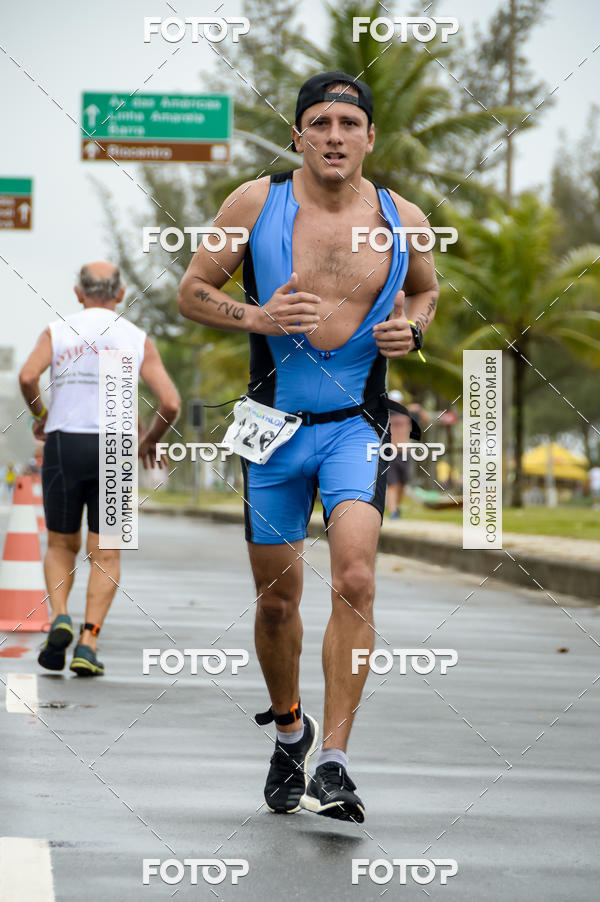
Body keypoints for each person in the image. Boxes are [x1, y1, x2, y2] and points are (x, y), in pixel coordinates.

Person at [178, 71, 439, 822]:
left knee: (355, 578)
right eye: (319, 123)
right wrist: (254, 316)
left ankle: (335, 761)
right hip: (272, 431)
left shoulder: (402, 215)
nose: (333, 135)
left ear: (368, 138)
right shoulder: (257, 202)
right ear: (298, 135)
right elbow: (192, 289)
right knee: (276, 603)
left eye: (347, 124)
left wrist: (413, 330)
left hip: (356, 427)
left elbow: (424, 288)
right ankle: (291, 730)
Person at [18, 262, 180, 676]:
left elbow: (27, 376)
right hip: (116, 445)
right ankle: (88, 643)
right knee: (106, 553)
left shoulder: (57, 331)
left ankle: (59, 618)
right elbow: (171, 403)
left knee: (59, 545)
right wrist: (149, 442)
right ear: (121, 293)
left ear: (78, 293)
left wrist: (41, 413)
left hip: (64, 442)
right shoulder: (135, 337)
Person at [385, 390, 429, 518]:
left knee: (402, 484)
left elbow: (426, 419)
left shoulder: (407, 414)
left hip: (405, 452)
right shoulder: (385, 413)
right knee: (392, 483)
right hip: (390, 452)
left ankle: (396, 508)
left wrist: (419, 409)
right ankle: (393, 511)